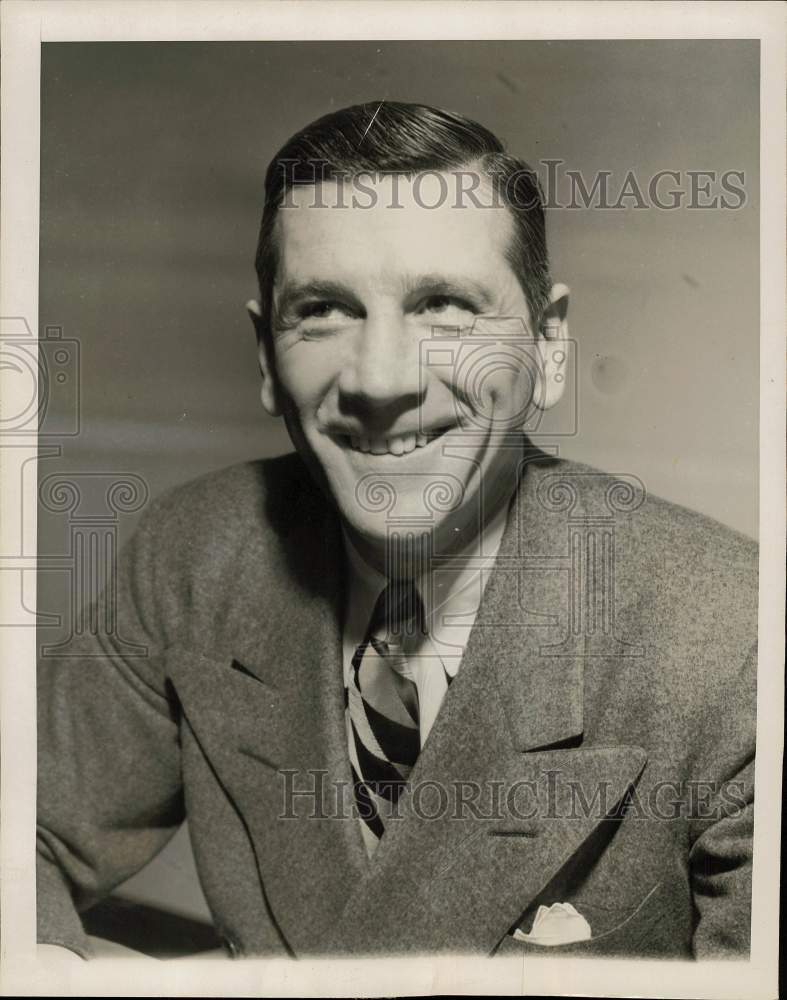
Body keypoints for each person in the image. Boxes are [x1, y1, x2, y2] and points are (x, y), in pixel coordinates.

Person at [37, 101, 757, 960]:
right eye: (326, 310)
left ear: (549, 347)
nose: (382, 379)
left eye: (445, 306)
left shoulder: (732, 638)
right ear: (268, 357)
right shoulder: (195, 555)